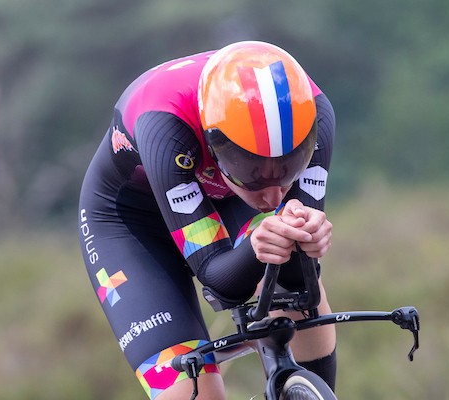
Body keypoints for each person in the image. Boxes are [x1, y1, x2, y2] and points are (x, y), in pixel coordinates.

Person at [78, 40, 336, 400]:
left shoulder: (315, 116)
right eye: (253, 172)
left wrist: (304, 242)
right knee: (193, 392)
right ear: (214, 147)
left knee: (305, 304)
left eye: (289, 168)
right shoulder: (165, 127)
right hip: (132, 224)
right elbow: (221, 281)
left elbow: (298, 279)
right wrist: (259, 247)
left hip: (225, 201)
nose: (274, 196)